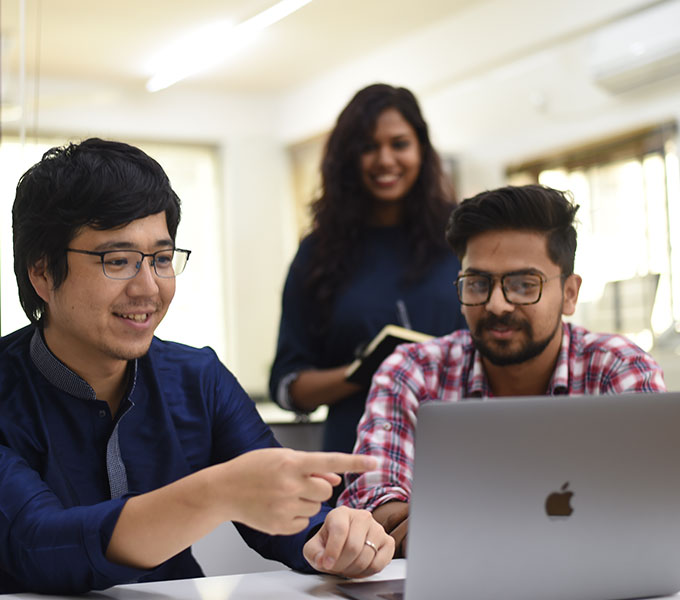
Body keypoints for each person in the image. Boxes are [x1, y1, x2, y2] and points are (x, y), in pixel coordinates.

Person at [0, 138, 394, 595]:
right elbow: (38, 544)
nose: (149, 288)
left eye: (162, 259)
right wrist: (214, 493)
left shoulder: (197, 379)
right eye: (119, 261)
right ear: (43, 272)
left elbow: (292, 523)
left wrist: (337, 537)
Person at [338, 184, 666, 557]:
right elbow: (376, 503)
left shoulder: (617, 368)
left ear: (570, 294)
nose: (496, 305)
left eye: (524, 285)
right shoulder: (412, 372)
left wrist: (454, 525)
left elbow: (653, 503)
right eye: (477, 284)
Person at [269, 83, 467, 460]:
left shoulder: (461, 239)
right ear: (347, 159)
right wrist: (366, 371)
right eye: (368, 147)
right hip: (359, 456)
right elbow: (287, 386)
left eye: (399, 144)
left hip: (461, 448)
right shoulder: (317, 254)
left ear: (422, 151)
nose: (385, 160)